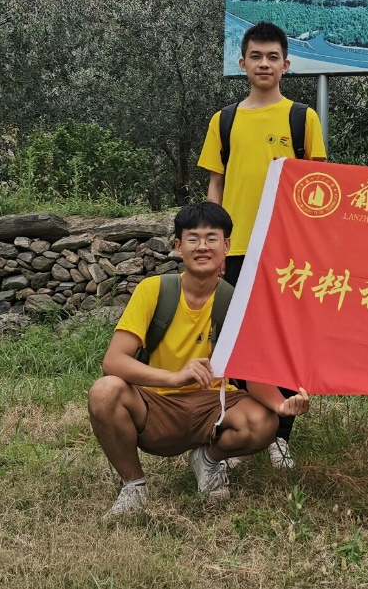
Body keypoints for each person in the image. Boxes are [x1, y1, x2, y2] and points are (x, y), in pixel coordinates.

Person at [87, 202, 311, 517]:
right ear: (178, 246)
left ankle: (208, 459)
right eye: (193, 238)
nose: (202, 246)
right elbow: (114, 361)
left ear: (227, 246)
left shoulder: (237, 302)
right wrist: (174, 377)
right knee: (104, 391)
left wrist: (282, 406)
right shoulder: (153, 291)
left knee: (264, 422)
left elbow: (252, 374)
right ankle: (133, 485)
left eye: (211, 238)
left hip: (214, 405)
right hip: (157, 404)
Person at [198, 20, 326, 469]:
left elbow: (318, 188)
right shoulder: (225, 120)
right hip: (235, 252)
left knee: (284, 342)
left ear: (286, 64)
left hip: (285, 252)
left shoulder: (302, 118)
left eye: (273, 57)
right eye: (256, 56)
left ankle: (280, 434)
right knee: (235, 343)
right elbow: (215, 185)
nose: (264, 64)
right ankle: (240, 429)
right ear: (242, 63)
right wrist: (212, 243)